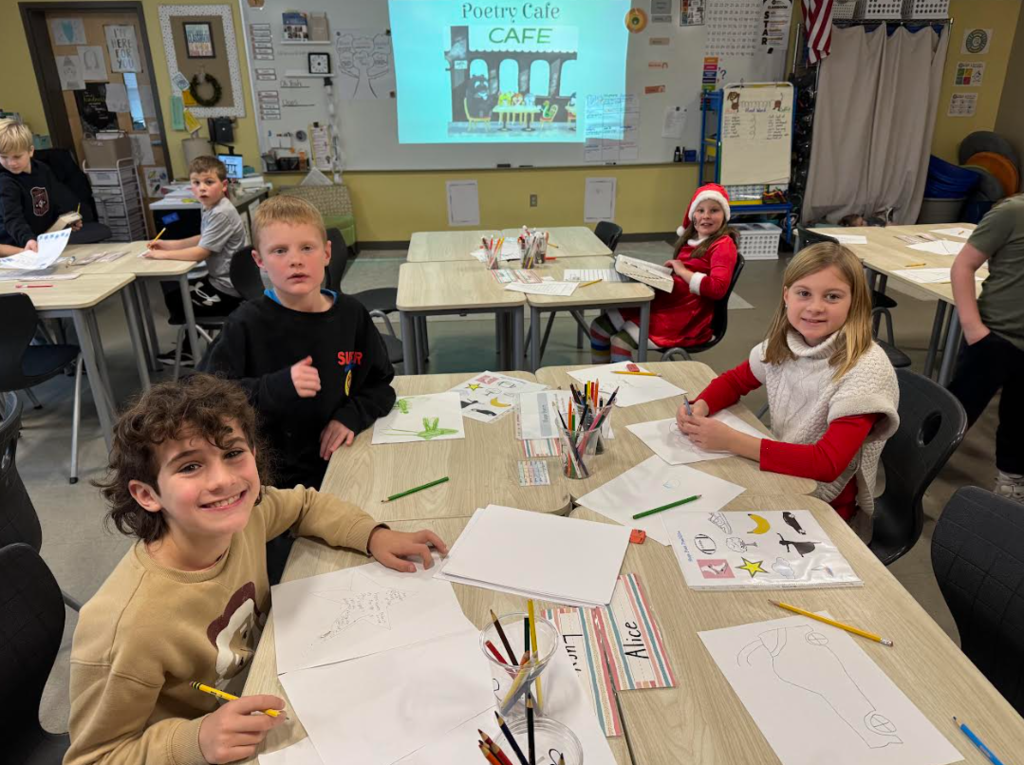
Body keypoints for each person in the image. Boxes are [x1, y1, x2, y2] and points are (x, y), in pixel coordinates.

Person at [64, 374, 446, 765]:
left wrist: (371, 535)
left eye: (232, 453)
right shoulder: (126, 627)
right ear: (147, 495)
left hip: (268, 684)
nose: (224, 480)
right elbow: (95, 757)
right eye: (191, 466)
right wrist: (194, 740)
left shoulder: (244, 517)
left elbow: (304, 505)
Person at [676, 242, 900, 539]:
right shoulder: (785, 344)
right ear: (786, 296)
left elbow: (827, 463)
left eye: (832, 296)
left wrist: (730, 440)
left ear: (854, 302)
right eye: (803, 293)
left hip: (825, 505)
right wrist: (701, 404)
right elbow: (734, 381)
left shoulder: (865, 369)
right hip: (783, 473)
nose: (815, 307)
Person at [200, 195, 396, 492]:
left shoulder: (351, 315)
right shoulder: (245, 323)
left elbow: (380, 386)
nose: (295, 260)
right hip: (272, 480)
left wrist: (350, 416)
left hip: (344, 461)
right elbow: (204, 398)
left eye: (307, 247)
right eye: (279, 250)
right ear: (259, 261)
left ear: (327, 252)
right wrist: (274, 387)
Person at [590, 183, 738, 362]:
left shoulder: (723, 245)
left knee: (620, 342)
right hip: (666, 302)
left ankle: (619, 386)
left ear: (725, 215)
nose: (706, 216)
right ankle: (602, 375)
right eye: (700, 210)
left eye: (714, 210)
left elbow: (718, 288)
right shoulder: (692, 239)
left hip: (686, 317)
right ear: (692, 215)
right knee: (598, 328)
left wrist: (682, 271)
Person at [948, 194, 1024, 503]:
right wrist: (973, 329)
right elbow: (963, 266)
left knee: (1019, 422)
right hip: (994, 338)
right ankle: (910, 464)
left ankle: (1011, 483)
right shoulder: (1012, 213)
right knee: (958, 410)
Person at [146, 155, 246, 362]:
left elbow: (202, 251)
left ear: (224, 185)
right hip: (222, 280)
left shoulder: (221, 213)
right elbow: (203, 238)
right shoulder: (210, 206)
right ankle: (189, 348)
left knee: (175, 298)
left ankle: (197, 350)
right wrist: (170, 244)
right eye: (196, 183)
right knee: (176, 293)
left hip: (226, 289)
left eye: (209, 182)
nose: (202, 188)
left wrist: (163, 255)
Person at [0, 118, 103, 249]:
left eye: (17, 157)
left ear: (31, 151)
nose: (11, 163)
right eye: (3, 157)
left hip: (41, 240)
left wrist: (65, 221)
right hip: (16, 245)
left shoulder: (42, 170)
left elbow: (54, 201)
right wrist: (28, 240)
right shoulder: (5, 181)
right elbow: (12, 218)